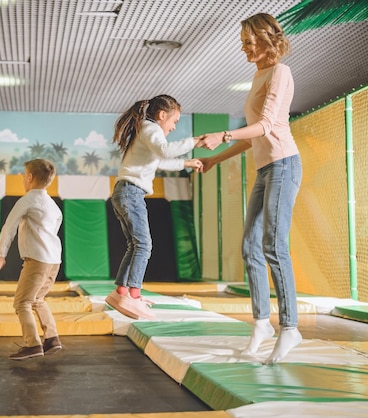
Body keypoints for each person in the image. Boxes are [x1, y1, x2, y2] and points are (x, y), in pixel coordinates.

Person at [196, 13, 302, 364]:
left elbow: (268, 125)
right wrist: (217, 159)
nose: (244, 47)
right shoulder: (259, 75)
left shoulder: (280, 73)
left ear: (267, 39)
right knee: (249, 247)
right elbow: (254, 136)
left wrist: (222, 133)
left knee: (273, 244)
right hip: (265, 168)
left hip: (284, 165)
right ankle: (261, 323)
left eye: (248, 41)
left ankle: (289, 327)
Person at [108, 94, 203, 320]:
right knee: (144, 245)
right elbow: (165, 151)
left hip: (124, 191)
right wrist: (195, 141)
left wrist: (186, 163)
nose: (173, 127)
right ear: (162, 115)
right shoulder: (152, 130)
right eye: (174, 122)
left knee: (135, 244)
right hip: (131, 192)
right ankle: (133, 294)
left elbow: (158, 160)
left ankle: (121, 291)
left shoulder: (145, 129)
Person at [0, 158, 63, 360]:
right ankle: (52, 338)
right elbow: (54, 229)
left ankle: (33, 345)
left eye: (24, 176)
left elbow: (8, 227)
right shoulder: (52, 205)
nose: (23, 179)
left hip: (37, 260)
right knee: (37, 299)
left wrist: (1, 255)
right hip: (54, 260)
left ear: (29, 177)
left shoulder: (28, 200)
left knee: (22, 302)